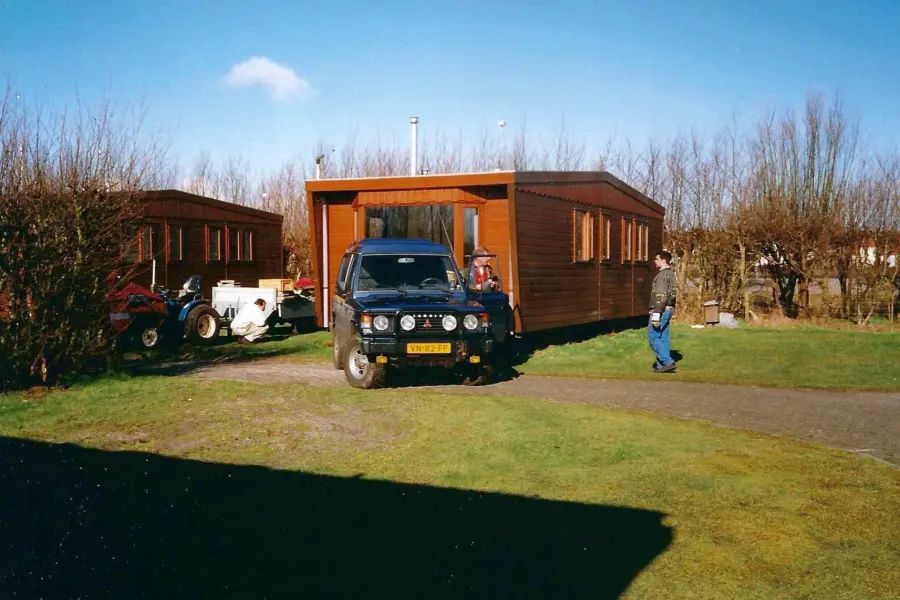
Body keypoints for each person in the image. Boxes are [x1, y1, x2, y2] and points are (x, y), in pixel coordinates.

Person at [648, 250, 677, 373]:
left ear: (663, 260)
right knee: (663, 336)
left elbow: (661, 296)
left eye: (657, 259)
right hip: (668, 309)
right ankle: (661, 366)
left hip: (661, 310)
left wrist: (656, 315)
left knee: (653, 337)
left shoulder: (662, 276)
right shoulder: (671, 274)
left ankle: (667, 361)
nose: (655, 261)